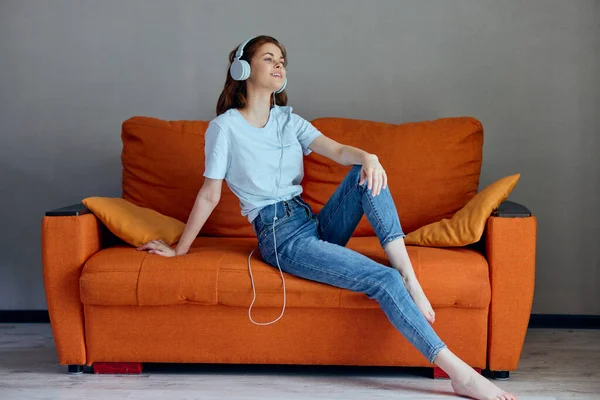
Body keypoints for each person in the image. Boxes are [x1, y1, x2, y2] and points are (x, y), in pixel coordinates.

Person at [137, 35, 517, 400]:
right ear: (241, 68)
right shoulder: (225, 128)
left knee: (362, 173)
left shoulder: (289, 120)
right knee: (381, 279)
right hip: (281, 237)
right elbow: (209, 194)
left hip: (310, 222)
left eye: (281, 61)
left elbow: (336, 151)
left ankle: (409, 276)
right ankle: (460, 374)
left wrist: (369, 157)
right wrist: (179, 250)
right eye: (268, 58)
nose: (278, 65)